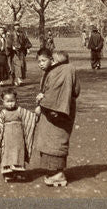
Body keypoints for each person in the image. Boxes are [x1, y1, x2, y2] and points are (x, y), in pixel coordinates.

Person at [34, 49, 80, 187]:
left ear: (54, 60)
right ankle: (54, 171)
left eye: (44, 60)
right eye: (39, 61)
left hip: (54, 112)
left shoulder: (58, 72)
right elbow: (76, 91)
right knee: (58, 139)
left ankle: (58, 175)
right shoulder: (70, 70)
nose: (41, 64)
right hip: (65, 110)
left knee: (53, 140)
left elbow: (52, 94)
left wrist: (41, 102)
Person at [0, 88, 37, 182]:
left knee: (19, 152)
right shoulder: (3, 113)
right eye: (7, 101)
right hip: (7, 138)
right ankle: (8, 174)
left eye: (12, 101)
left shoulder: (20, 110)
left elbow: (30, 117)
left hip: (18, 137)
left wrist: (36, 114)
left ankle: (19, 172)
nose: (10, 104)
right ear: (3, 101)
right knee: (7, 154)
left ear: (16, 100)